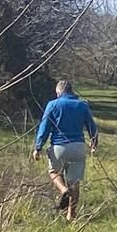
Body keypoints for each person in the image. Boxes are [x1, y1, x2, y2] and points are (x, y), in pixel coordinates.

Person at [32, 80, 98, 221]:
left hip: (59, 147)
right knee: (74, 182)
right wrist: (94, 142)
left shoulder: (53, 105)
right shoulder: (82, 105)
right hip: (78, 147)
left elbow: (44, 127)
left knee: (54, 172)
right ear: (71, 91)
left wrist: (38, 147)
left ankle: (63, 190)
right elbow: (92, 126)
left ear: (59, 92)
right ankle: (71, 215)